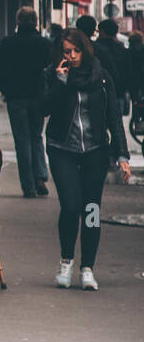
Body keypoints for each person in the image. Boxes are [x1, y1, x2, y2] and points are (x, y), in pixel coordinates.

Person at [39, 29, 132, 291]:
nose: (72, 56)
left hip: (95, 149)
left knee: (91, 209)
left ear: (85, 50)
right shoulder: (52, 74)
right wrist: (59, 81)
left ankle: (87, 267)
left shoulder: (100, 77)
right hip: (62, 148)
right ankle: (66, 261)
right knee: (70, 206)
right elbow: (42, 109)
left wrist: (122, 155)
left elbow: (114, 116)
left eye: (76, 51)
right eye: (67, 51)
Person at [0, 7, 52, 197]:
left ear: (17, 21)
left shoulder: (7, 43)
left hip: (16, 98)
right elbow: (51, 71)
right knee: (36, 136)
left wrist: (6, 90)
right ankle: (40, 176)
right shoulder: (44, 44)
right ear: (35, 21)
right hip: (37, 97)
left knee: (22, 140)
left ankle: (29, 185)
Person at [95, 20, 132, 117]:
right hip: (118, 91)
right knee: (116, 122)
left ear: (102, 31)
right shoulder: (122, 49)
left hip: (97, 91)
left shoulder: (95, 48)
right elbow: (127, 71)